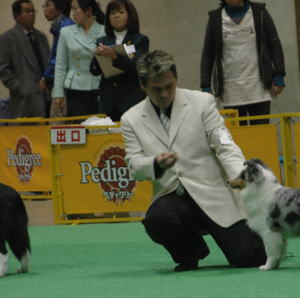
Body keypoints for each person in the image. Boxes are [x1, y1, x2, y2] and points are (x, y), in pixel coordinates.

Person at [121, 50, 266, 271]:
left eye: (169, 86)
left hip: (214, 194)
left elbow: (225, 145)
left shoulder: (203, 103)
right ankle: (190, 252)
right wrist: (154, 164)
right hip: (173, 199)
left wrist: (241, 176)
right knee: (156, 219)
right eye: (157, 89)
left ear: (176, 79)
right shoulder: (130, 119)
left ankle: (259, 236)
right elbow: (133, 167)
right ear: (143, 86)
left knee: (249, 258)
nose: (165, 94)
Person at [200, 0, 285, 125]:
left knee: (262, 137)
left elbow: (274, 44)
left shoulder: (259, 12)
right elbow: (208, 53)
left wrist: (279, 75)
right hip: (231, 92)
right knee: (238, 140)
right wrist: (205, 85)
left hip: (259, 90)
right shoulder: (216, 18)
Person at [89, 0, 149, 121]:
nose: (116, 16)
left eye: (121, 12)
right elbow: (94, 71)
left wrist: (115, 57)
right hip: (108, 102)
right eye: (112, 13)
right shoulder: (103, 40)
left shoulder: (139, 40)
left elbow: (138, 66)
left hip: (132, 99)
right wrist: (97, 56)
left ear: (130, 15)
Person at [52, 0, 105, 118]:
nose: (73, 13)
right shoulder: (66, 32)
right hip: (75, 88)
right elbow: (60, 64)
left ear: (88, 11)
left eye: (76, 9)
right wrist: (58, 93)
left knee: (98, 129)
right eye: (72, 9)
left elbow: (125, 54)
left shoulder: (105, 31)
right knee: (77, 130)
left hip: (98, 86)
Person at [0, 0, 50, 118]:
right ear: (16, 16)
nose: (31, 14)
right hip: (24, 102)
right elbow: (3, 68)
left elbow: (48, 64)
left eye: (33, 11)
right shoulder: (7, 38)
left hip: (46, 99)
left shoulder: (41, 37)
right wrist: (20, 88)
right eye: (27, 11)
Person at [41, 0, 74, 118]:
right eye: (44, 5)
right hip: (62, 84)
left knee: (58, 126)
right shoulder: (60, 24)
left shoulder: (65, 26)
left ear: (60, 6)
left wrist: (45, 77)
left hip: (63, 84)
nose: (44, 9)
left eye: (48, 4)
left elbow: (58, 58)